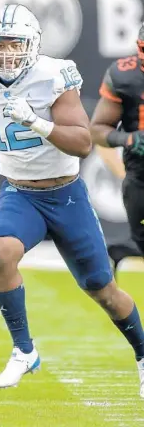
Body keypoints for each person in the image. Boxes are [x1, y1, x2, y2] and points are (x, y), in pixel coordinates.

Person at [0, 4, 144, 397]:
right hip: (19, 192)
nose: (7, 51)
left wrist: (36, 121)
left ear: (32, 45)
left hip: (65, 194)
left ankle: (143, 355)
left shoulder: (52, 76)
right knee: (0, 253)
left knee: (104, 291)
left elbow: (82, 143)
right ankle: (23, 350)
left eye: (15, 43)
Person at [90, 22, 144, 273]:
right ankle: (122, 250)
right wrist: (129, 139)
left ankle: (121, 250)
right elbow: (97, 129)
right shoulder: (125, 76)